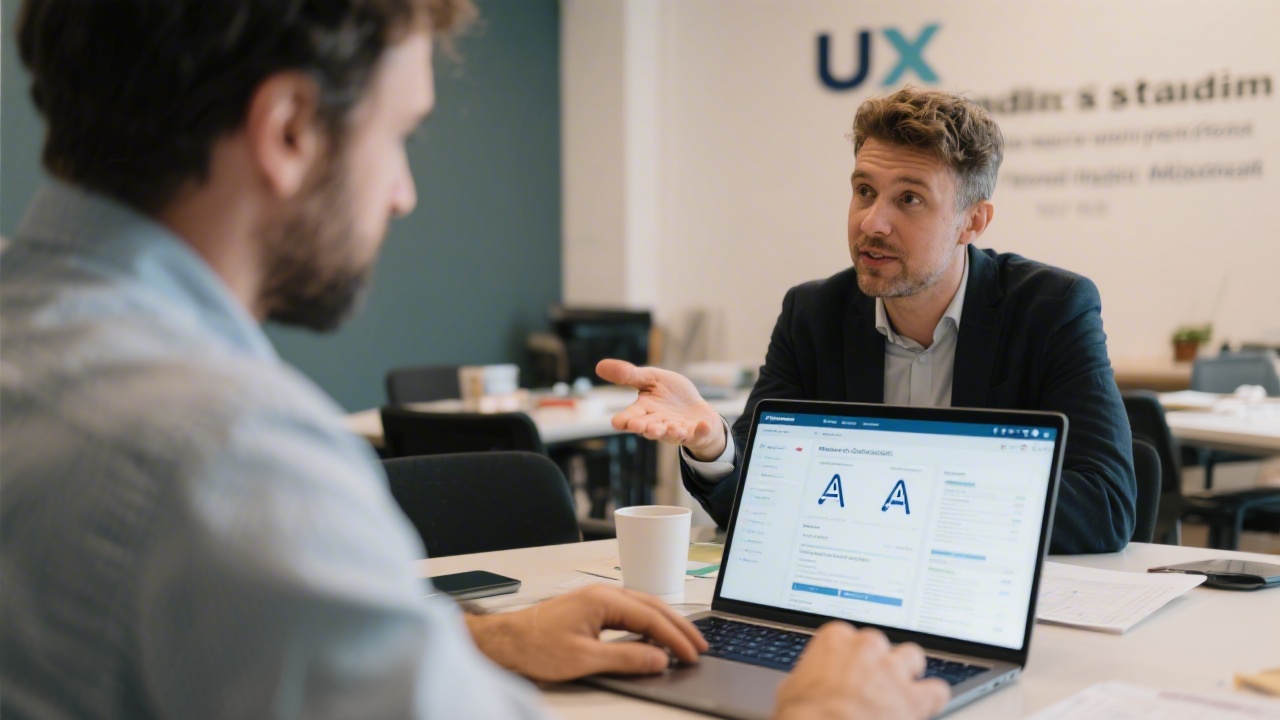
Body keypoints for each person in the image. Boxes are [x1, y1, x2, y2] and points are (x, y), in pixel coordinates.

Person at [0, 1, 948, 718]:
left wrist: (485, 639)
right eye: (400, 135)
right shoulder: (227, 457)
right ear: (289, 130)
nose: (404, 193)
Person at [599, 86, 1136, 555]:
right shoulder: (812, 314)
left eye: (909, 199)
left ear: (972, 221)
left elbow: (1104, 505)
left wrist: (891, 495)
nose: (872, 223)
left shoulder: (1051, 309)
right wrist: (713, 442)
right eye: (864, 192)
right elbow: (756, 500)